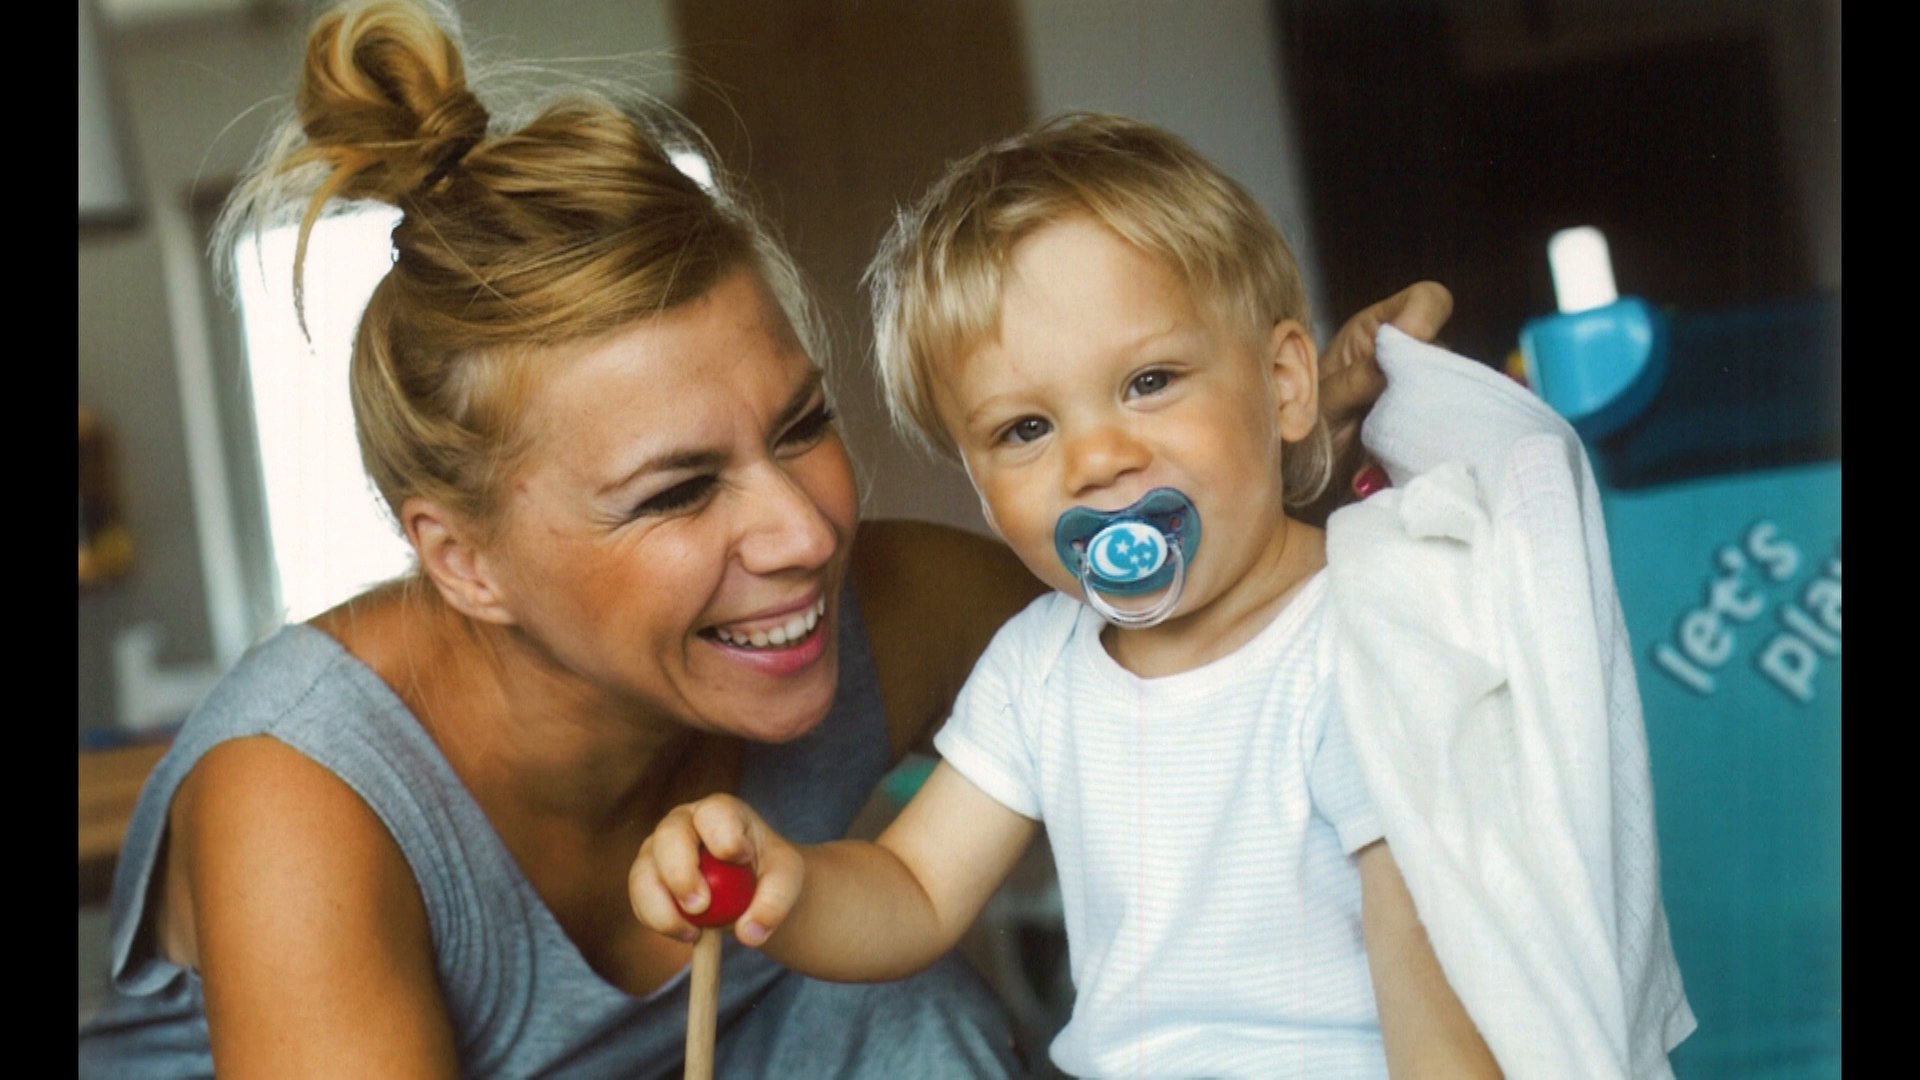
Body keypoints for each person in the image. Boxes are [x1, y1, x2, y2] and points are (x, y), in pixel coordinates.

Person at [75, 1, 1449, 1073]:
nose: (803, 534)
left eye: (800, 426)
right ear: (463, 561)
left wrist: (1299, 446)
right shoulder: (303, 801)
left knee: (893, 1009)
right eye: (677, 493)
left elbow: (1193, 601)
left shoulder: (903, 613)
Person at [629, 114, 1499, 1079]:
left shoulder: (1360, 630)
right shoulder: (1041, 665)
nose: (1095, 459)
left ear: (1287, 383)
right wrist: (782, 879)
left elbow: (1436, 973)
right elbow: (915, 886)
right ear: (977, 487)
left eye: (1150, 381)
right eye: (1026, 430)